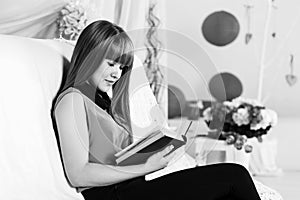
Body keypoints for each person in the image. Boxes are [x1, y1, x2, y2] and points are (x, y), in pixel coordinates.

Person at [52, 20, 261, 200]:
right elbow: (78, 174)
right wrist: (147, 166)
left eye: (121, 67)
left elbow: (114, 159)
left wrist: (159, 150)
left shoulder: (100, 101)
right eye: (111, 64)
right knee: (235, 175)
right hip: (113, 194)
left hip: (131, 187)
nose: (116, 74)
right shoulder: (72, 100)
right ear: (89, 57)